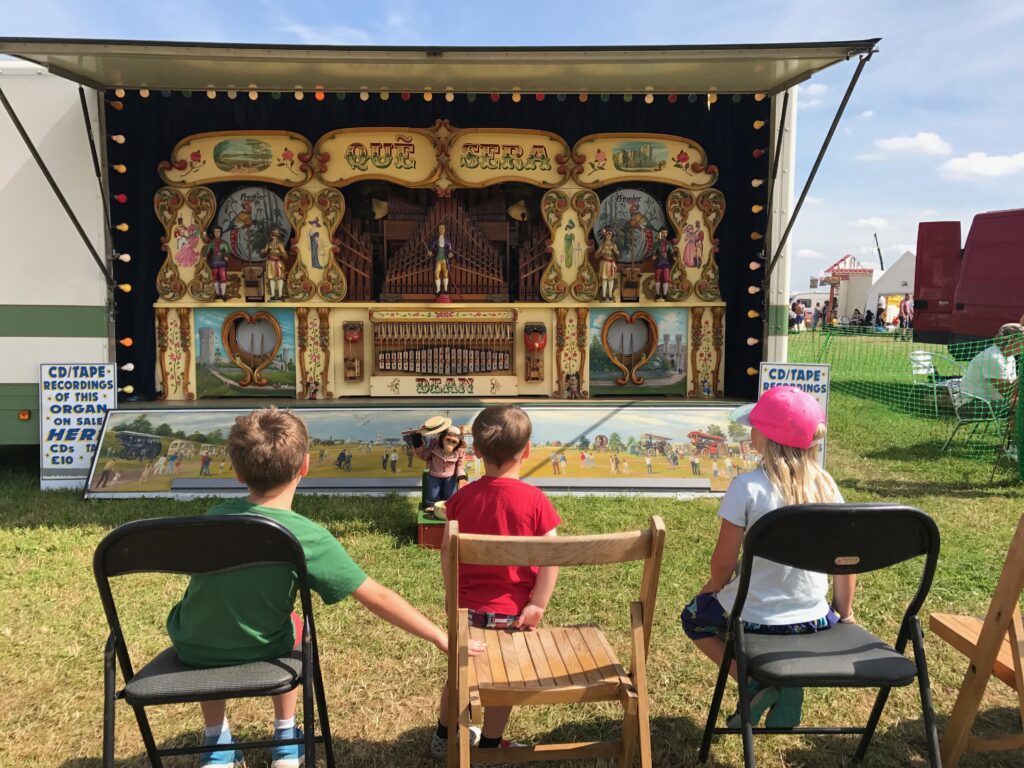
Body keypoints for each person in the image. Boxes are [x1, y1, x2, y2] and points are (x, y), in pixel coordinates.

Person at [166, 408, 479, 768]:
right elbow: (375, 596)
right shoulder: (307, 536)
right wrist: (440, 636)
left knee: (216, 624)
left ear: (237, 472)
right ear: (305, 466)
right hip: (264, 645)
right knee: (297, 625)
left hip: (192, 644)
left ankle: (215, 743)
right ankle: (286, 737)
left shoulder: (212, 518)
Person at [680, 386, 855, 729]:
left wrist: (712, 587)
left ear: (762, 437)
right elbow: (845, 560)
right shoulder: (827, 486)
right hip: (814, 620)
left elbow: (724, 562)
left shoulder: (747, 487)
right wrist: (844, 613)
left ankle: (753, 684)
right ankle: (782, 686)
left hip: (753, 617)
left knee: (694, 619)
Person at [433, 405, 561, 757]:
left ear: (475, 452)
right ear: (528, 449)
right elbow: (553, 558)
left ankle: (443, 739)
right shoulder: (535, 502)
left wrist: (451, 596)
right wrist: (537, 604)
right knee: (504, 682)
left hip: (467, 613)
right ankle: (489, 745)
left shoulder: (461, 499)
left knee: (456, 677)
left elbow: (447, 551)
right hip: (513, 615)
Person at [408, 416, 468, 514]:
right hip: (434, 476)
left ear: (458, 444)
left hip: (450, 477)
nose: (450, 443)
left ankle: (449, 506)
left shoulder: (459, 452)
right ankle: (432, 505)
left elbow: (460, 466)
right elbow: (423, 455)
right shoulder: (434, 447)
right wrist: (417, 438)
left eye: (454, 442)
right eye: (448, 439)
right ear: (442, 439)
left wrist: (461, 477)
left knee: (450, 493)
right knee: (433, 493)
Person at [960, 323, 1024, 407]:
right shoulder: (994, 358)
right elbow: (1008, 394)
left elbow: (1014, 392)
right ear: (1011, 340)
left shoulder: (1010, 357)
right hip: (974, 404)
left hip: (995, 401)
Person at [203, 225, 232, 301]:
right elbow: (208, 251)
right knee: (215, 278)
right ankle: (217, 293)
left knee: (223, 278)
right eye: (215, 232)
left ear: (220, 233)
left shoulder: (224, 243)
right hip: (214, 262)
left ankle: (223, 294)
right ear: (213, 233)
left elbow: (227, 251)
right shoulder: (211, 243)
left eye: (218, 231)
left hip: (222, 262)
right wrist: (205, 256)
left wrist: (225, 255)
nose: (216, 233)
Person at [426, 223, 455, 296]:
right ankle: (438, 289)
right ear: (438, 230)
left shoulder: (447, 240)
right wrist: (430, 252)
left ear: (445, 230)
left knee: (445, 274)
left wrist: (450, 253)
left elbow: (450, 248)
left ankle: (445, 289)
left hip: (445, 260)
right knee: (436, 274)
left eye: (442, 228)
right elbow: (431, 248)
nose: (441, 230)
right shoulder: (435, 240)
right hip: (437, 259)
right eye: (440, 228)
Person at [596, 226, 620, 301]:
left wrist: (616, 253)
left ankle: (610, 295)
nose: (609, 236)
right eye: (607, 234)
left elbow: (618, 255)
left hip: (611, 263)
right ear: (605, 235)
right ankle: (603, 295)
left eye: (610, 235)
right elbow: (596, 255)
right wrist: (601, 254)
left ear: (612, 236)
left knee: (611, 279)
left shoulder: (614, 245)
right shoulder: (602, 245)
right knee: (604, 279)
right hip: (604, 263)